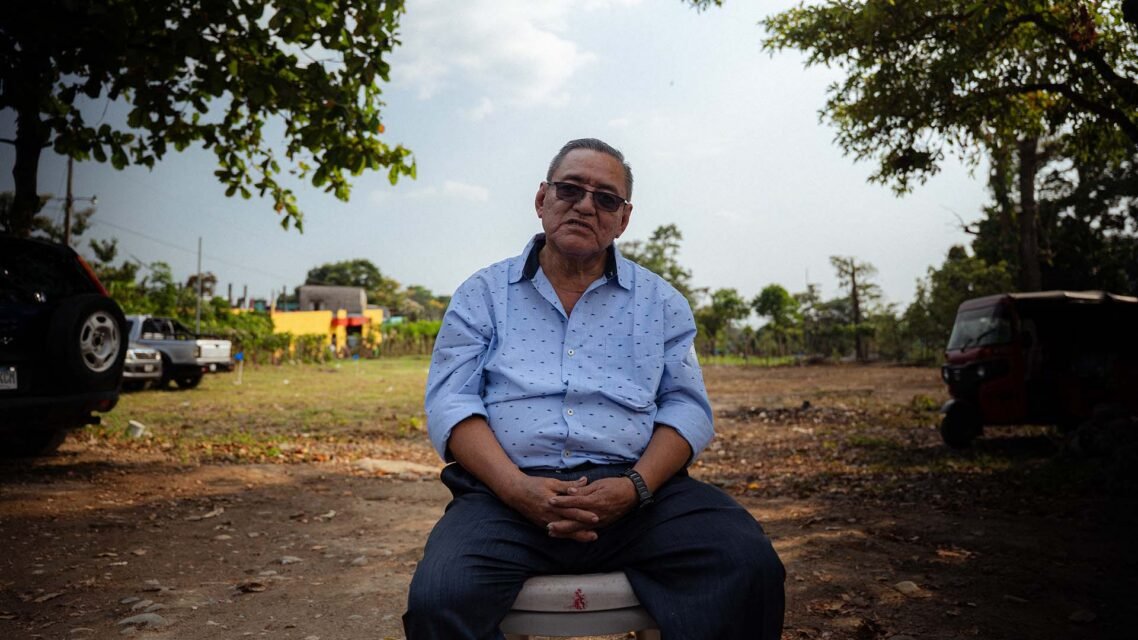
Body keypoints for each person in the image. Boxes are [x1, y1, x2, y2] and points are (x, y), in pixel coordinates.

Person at [403, 138, 785, 639]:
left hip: (639, 494)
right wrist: (519, 490)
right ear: (542, 199)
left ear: (623, 219)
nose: (585, 205)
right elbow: (453, 403)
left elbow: (686, 409)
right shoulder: (483, 295)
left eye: (606, 198)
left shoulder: (661, 302)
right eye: (570, 189)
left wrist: (635, 488)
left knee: (749, 565)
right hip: (506, 492)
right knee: (440, 597)